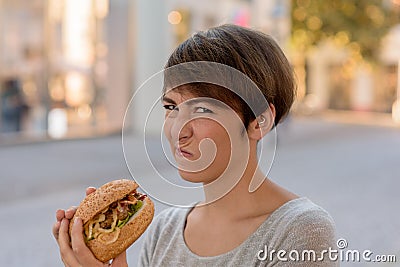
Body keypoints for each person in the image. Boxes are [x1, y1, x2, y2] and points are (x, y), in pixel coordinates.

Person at [52, 24, 337, 266]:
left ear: (259, 121)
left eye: (202, 109)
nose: (178, 129)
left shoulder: (300, 231)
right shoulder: (164, 231)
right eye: (171, 106)